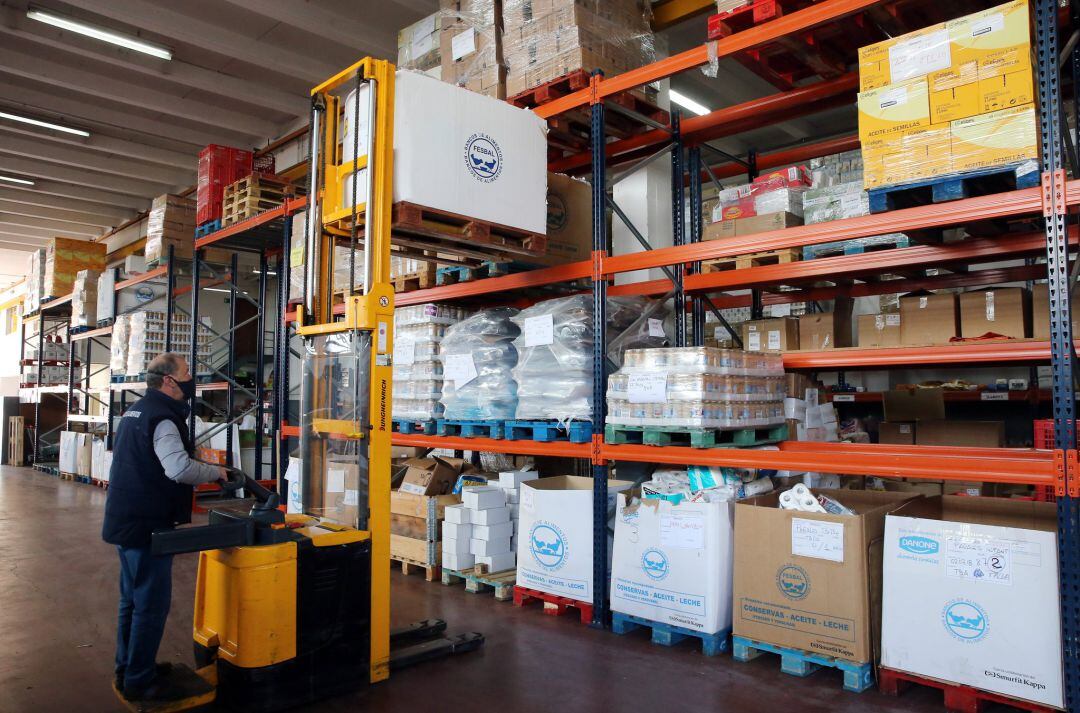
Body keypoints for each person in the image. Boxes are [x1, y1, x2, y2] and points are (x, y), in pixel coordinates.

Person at [101, 352, 227, 703]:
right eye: (186, 373)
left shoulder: (136, 411)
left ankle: (128, 668)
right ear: (169, 381)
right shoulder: (164, 418)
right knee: (151, 604)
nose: (191, 378)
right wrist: (215, 472)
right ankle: (140, 681)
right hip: (146, 524)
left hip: (126, 519)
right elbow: (178, 469)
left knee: (132, 600)